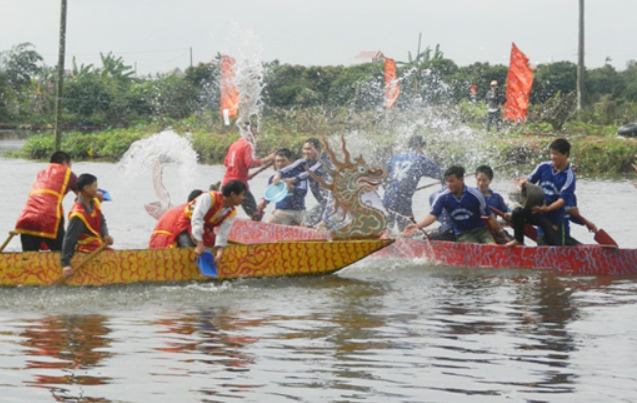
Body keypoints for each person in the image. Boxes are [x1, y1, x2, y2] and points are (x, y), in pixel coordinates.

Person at [402, 165, 505, 244]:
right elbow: (433, 215)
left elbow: (490, 217)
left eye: (452, 181)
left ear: (461, 180)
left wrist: (504, 235)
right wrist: (417, 226)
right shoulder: (443, 197)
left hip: (481, 230)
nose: (449, 184)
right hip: (462, 232)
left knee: (492, 246)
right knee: (475, 248)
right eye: (447, 181)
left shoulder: (476, 195)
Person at [151, 180, 246, 261]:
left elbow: (223, 233)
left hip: (203, 229)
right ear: (233, 195)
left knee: (215, 249)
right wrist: (199, 244)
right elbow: (197, 219)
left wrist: (220, 251)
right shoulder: (208, 197)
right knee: (191, 252)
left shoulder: (231, 212)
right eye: (242, 195)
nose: (243, 198)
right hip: (185, 224)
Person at [505, 138, 576, 247]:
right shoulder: (543, 167)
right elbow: (528, 182)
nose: (552, 157)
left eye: (556, 154)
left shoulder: (569, 176)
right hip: (538, 213)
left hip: (555, 219)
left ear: (565, 154)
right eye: (551, 153)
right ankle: (518, 240)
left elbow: (562, 201)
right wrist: (522, 183)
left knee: (555, 248)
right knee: (517, 213)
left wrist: (547, 209)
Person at [14, 151, 78, 251]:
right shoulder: (67, 173)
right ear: (65, 163)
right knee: (65, 252)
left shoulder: (41, 174)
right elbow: (84, 195)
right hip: (48, 218)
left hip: (26, 217)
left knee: (29, 257)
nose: (70, 168)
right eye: (70, 165)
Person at [382, 135, 443, 232]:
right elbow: (444, 176)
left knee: (385, 230)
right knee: (409, 232)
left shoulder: (395, 158)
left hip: (386, 199)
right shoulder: (421, 160)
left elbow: (382, 177)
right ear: (420, 147)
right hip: (403, 202)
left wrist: (391, 189)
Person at [61, 174, 114, 278]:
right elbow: (69, 240)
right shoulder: (77, 215)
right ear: (86, 188)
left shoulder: (94, 203)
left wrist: (105, 234)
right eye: (95, 187)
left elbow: (102, 221)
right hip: (86, 251)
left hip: (98, 246)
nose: (97, 190)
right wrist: (66, 265)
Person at [221, 122, 274, 218]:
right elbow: (250, 163)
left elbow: (226, 163)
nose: (255, 137)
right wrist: (268, 158)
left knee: (222, 213)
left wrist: (244, 175)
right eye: (254, 133)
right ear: (247, 132)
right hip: (239, 186)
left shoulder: (234, 144)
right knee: (256, 215)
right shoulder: (247, 145)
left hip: (226, 184)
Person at [281, 138, 331, 227]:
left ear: (318, 150)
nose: (306, 152)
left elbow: (308, 173)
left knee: (322, 226)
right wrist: (278, 175)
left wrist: (292, 180)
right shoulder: (304, 162)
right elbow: (287, 169)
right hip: (323, 203)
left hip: (333, 204)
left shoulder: (324, 163)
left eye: (309, 149)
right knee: (305, 224)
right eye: (304, 149)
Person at [256, 148, 308, 226]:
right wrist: (263, 202)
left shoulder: (299, 175)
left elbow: (303, 192)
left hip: (299, 212)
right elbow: (269, 195)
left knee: (308, 227)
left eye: (283, 161)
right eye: (278, 161)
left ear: (291, 161)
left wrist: (291, 188)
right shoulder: (273, 178)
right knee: (267, 224)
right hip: (281, 212)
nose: (280, 164)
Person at [148, 189, 215, 249]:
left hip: (154, 244)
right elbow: (184, 232)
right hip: (169, 244)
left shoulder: (179, 208)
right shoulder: (190, 211)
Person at [475, 165, 512, 243]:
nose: (481, 183)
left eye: (484, 180)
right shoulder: (470, 195)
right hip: (477, 232)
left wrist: (509, 214)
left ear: (490, 180)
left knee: (517, 244)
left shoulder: (496, 197)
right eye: (478, 180)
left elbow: (505, 212)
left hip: (495, 231)